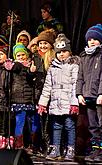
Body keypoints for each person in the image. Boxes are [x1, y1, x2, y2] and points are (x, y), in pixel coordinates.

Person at [38, 33, 79, 161]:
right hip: (56, 103)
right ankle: (56, 148)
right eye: (59, 52)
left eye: (64, 51)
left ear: (69, 52)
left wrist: (74, 103)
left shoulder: (74, 66)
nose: (61, 54)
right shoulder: (52, 68)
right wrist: (43, 103)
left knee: (69, 126)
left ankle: (70, 148)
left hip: (68, 102)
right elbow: (47, 87)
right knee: (56, 126)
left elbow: (75, 86)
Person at [76, 24, 102, 162]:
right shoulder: (84, 56)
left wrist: (101, 94)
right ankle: (96, 150)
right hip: (88, 96)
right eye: (89, 38)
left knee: (101, 124)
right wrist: (79, 93)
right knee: (92, 125)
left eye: (95, 39)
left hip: (99, 96)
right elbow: (80, 77)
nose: (92, 41)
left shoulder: (101, 55)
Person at [0, 45, 14, 149]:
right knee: (1, 121)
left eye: (1, 54)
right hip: (1, 99)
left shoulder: (10, 68)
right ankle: (1, 141)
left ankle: (10, 140)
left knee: (10, 120)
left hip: (11, 99)